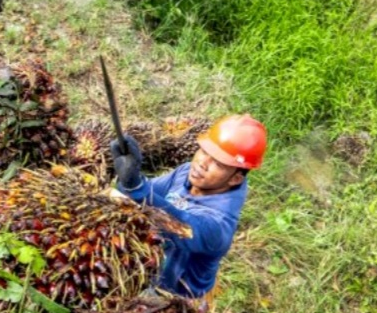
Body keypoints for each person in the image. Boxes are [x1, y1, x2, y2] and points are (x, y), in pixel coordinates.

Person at [111, 114, 267, 299]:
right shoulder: (186, 172)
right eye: (203, 151)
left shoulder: (218, 225)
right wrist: (129, 180)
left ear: (235, 178)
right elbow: (145, 193)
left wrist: (136, 187)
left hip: (173, 296)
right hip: (151, 262)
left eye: (217, 163)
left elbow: (179, 225)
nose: (202, 163)